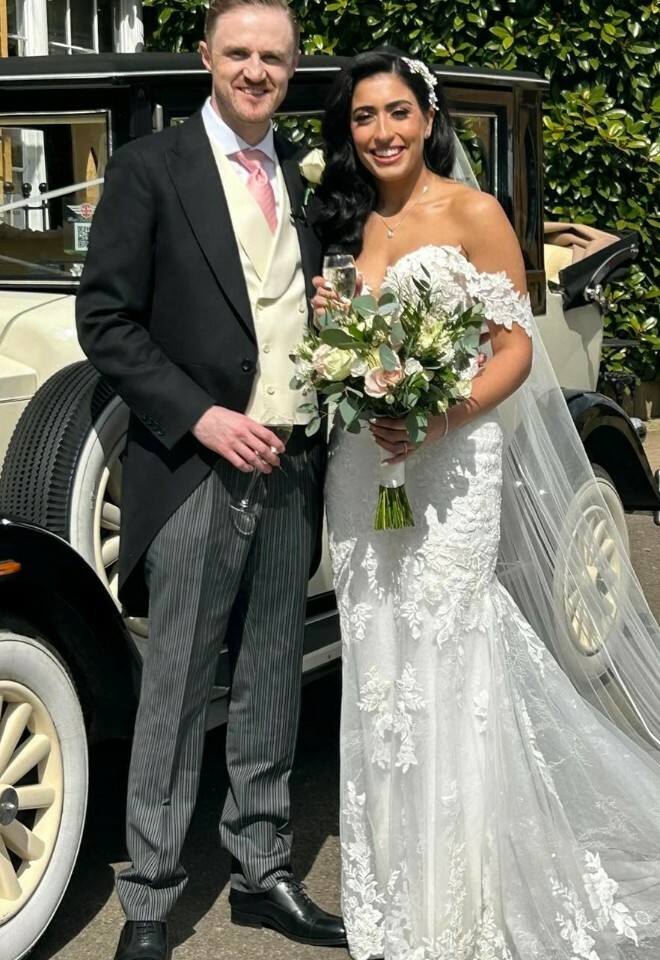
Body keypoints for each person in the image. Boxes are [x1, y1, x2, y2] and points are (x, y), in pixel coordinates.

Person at [312, 50, 660, 960]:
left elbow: (513, 349)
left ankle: (459, 896)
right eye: (363, 117)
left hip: (451, 460)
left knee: (446, 649)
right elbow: (337, 345)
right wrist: (330, 324)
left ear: (428, 119)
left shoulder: (475, 214)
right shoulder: (342, 220)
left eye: (397, 112)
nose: (382, 132)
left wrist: (439, 416)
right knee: (378, 662)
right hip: (363, 468)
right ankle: (395, 887)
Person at [75, 2, 346, 958]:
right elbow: (106, 320)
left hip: (295, 461)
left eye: (273, 56)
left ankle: (261, 871)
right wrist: (200, 415)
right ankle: (149, 897)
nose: (256, 71)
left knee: (273, 675)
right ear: (206, 57)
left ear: (292, 67)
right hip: (193, 468)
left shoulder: (307, 173)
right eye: (239, 53)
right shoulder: (152, 167)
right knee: (179, 687)